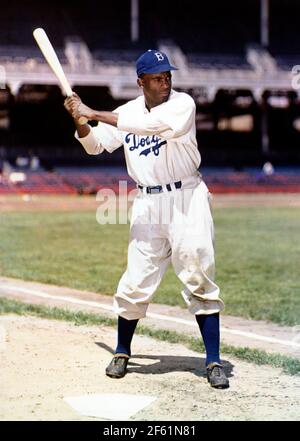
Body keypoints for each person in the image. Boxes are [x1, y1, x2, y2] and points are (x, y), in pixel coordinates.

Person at [64, 49, 229, 389]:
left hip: (187, 197)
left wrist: (92, 111)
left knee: (198, 272)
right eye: (156, 78)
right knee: (136, 279)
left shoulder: (183, 105)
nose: (164, 82)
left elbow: (149, 125)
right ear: (141, 82)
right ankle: (122, 351)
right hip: (147, 200)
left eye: (167, 75)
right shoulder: (126, 111)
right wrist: (79, 119)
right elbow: (95, 145)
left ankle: (213, 360)